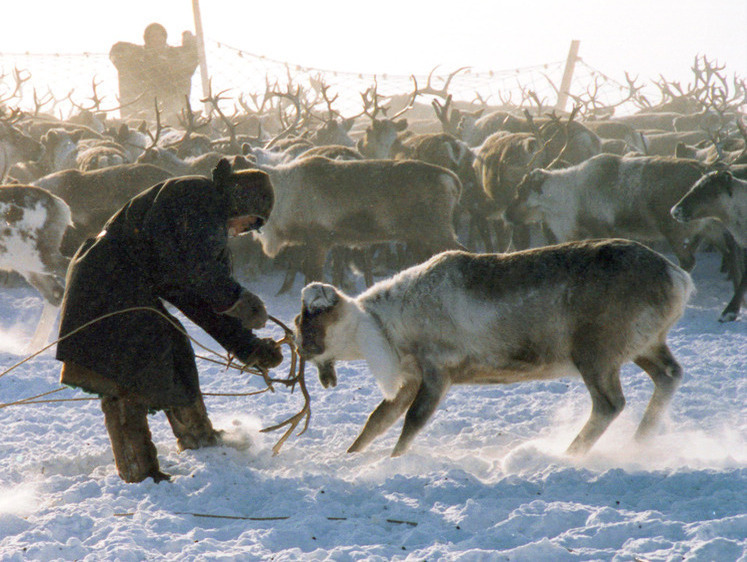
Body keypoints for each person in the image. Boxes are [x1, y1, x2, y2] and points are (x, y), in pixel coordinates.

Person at [56, 158, 283, 483]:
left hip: (124, 283)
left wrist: (248, 347)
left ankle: (199, 440)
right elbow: (198, 272)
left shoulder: (205, 223)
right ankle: (138, 470)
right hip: (104, 278)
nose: (248, 232)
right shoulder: (199, 199)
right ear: (244, 204)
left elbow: (195, 295)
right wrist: (236, 299)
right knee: (127, 371)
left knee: (173, 345)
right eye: (254, 223)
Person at [109, 22, 199, 124]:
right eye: (153, 36)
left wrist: (190, 42)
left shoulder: (174, 56)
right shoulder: (139, 58)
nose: (157, 38)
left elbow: (191, 59)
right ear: (147, 39)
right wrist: (145, 53)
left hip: (173, 111)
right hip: (144, 112)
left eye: (160, 35)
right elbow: (117, 51)